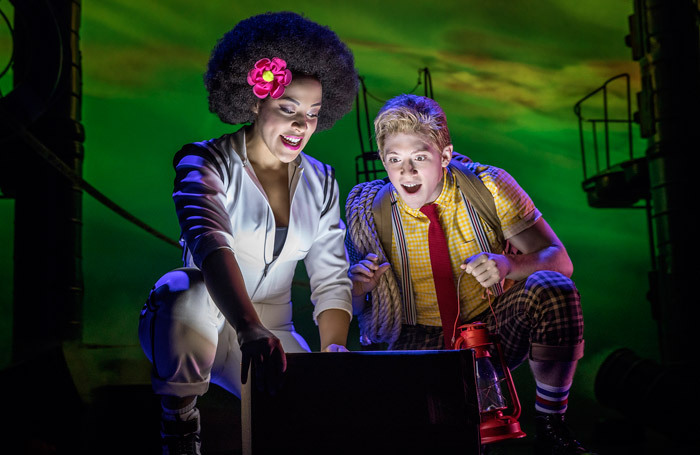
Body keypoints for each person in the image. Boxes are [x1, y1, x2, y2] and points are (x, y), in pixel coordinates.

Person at [138, 11, 358, 455]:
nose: (301, 126)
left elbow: (331, 277)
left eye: (313, 114)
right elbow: (209, 242)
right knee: (181, 289)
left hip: (272, 332)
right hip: (202, 324)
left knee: (317, 418)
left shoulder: (323, 181)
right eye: (288, 109)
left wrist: (334, 351)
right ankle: (179, 424)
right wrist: (248, 327)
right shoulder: (203, 162)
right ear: (255, 101)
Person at [345, 94, 596, 455]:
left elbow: (561, 261)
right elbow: (357, 311)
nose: (407, 172)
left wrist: (511, 266)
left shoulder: (490, 186)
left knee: (553, 288)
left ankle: (550, 424)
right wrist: (357, 288)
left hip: (490, 326)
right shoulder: (369, 210)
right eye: (394, 160)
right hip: (417, 339)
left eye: (419, 158)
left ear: (445, 156)